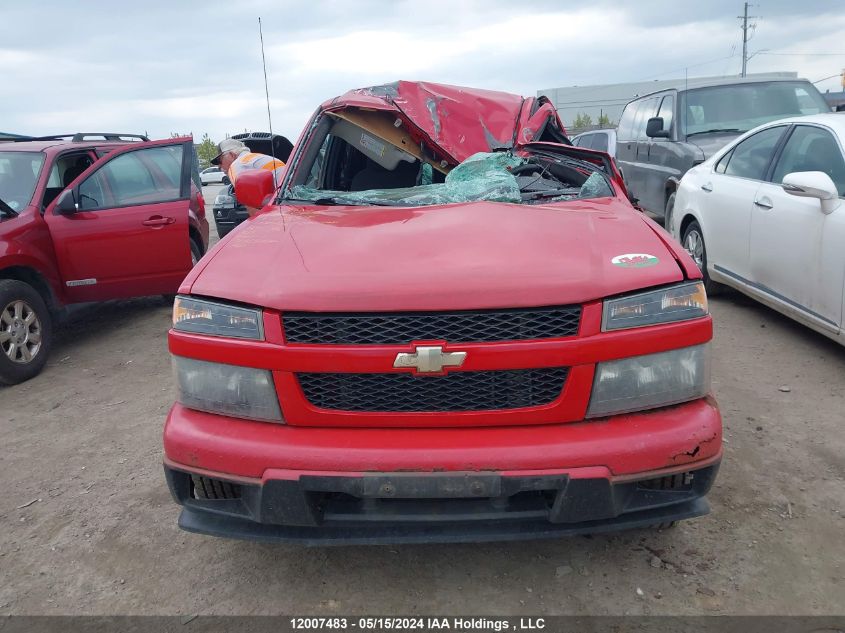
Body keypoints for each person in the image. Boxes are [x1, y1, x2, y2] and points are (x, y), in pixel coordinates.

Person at [210, 138, 285, 216]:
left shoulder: (236, 165)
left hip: (281, 207)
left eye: (220, 160)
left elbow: (252, 206)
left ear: (231, 155)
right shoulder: (260, 157)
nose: (219, 165)